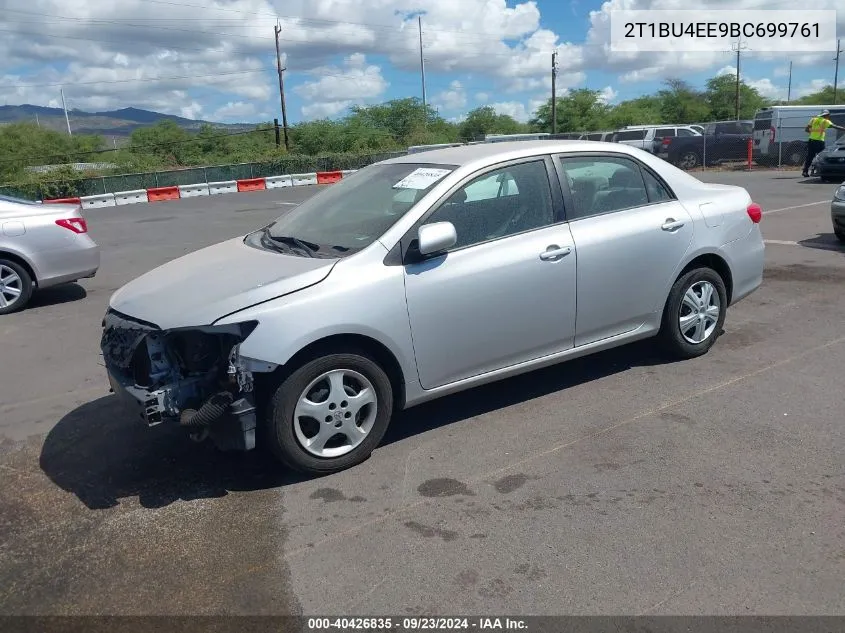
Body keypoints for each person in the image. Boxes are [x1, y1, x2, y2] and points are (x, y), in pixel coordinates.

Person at [802, 109, 845, 177]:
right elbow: (835, 126)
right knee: (822, 157)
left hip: (811, 140)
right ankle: (819, 171)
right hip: (819, 141)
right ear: (827, 115)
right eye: (828, 115)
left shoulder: (813, 119)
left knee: (809, 157)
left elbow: (806, 130)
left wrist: (813, 133)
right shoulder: (825, 121)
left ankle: (805, 171)